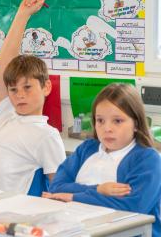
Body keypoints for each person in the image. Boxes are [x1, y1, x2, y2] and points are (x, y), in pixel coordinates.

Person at [0, 0, 66, 193]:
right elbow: (4, 65)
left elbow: (60, 187)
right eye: (13, 89)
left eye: (27, 87)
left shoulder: (47, 136)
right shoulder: (7, 114)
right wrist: (22, 15)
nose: (19, 95)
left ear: (46, 87)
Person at [43, 83, 161, 236]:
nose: (107, 128)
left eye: (117, 121)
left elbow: (132, 208)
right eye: (100, 120)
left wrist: (72, 196)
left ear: (136, 124)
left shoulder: (147, 159)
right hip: (80, 229)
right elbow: (57, 188)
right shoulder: (86, 149)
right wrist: (98, 190)